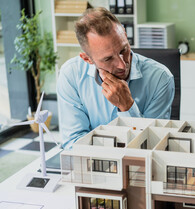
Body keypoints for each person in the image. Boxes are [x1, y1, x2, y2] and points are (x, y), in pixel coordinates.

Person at [57, 7, 175, 149]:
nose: (121, 65)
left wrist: (127, 107)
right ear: (87, 58)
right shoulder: (71, 75)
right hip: (93, 168)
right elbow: (74, 142)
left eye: (123, 50)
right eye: (108, 59)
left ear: (125, 34)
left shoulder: (160, 78)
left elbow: (155, 146)